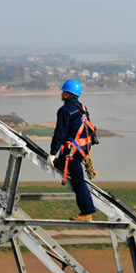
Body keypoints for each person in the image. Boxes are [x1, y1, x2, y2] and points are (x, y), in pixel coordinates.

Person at [50, 79, 97, 221]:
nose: (62, 94)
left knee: (78, 181)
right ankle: (86, 210)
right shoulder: (82, 107)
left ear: (69, 94)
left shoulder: (65, 110)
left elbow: (60, 133)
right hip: (83, 148)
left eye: (64, 92)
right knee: (78, 179)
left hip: (73, 152)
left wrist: (52, 153)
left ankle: (86, 212)